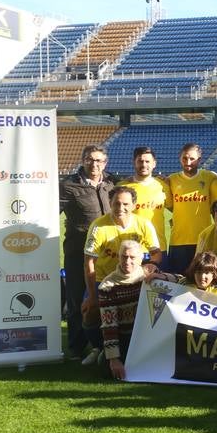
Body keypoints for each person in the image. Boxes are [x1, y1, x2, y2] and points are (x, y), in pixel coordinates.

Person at [83, 185, 163, 365]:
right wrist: (93, 296)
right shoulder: (98, 226)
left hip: (132, 279)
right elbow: (89, 262)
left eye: (126, 204)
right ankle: (99, 347)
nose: (121, 208)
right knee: (89, 311)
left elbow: (157, 253)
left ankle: (136, 348)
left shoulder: (143, 224)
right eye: (116, 203)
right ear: (110, 203)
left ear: (134, 205)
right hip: (104, 279)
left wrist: (151, 266)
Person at [59, 144, 115, 358]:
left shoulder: (111, 183)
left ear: (105, 163)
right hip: (78, 251)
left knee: (107, 297)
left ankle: (101, 344)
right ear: (83, 161)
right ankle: (76, 346)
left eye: (99, 160)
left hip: (108, 253)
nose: (95, 164)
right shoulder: (68, 185)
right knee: (77, 299)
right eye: (90, 159)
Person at [98, 240, 167, 381]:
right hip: (125, 338)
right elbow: (109, 325)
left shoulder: (149, 274)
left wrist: (162, 277)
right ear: (118, 257)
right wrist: (113, 358)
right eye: (124, 256)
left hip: (149, 337)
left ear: (141, 258)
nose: (127, 261)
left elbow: (179, 281)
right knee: (106, 368)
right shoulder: (108, 285)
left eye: (132, 257)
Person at [165, 142, 217, 274]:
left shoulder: (210, 177)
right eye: (184, 158)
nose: (188, 162)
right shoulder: (171, 180)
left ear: (199, 159)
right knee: (179, 280)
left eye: (192, 159)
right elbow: (172, 207)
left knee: (203, 279)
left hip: (203, 240)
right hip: (178, 241)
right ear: (180, 158)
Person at [121, 145, 169, 244]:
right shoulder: (123, 187)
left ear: (154, 163)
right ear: (134, 163)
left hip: (158, 246)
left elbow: (177, 209)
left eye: (147, 161)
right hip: (131, 247)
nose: (143, 165)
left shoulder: (163, 185)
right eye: (140, 161)